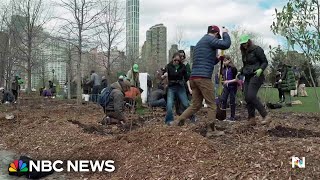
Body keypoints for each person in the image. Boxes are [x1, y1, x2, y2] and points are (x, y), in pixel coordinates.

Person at [175, 25, 231, 137]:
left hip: (194, 78)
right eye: (217, 36)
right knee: (212, 104)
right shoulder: (210, 39)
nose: (217, 38)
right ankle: (211, 130)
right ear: (215, 33)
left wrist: (218, 59)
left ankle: (179, 121)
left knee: (195, 105)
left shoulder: (200, 43)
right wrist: (225, 33)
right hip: (203, 78)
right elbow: (226, 44)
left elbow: (207, 61)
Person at [237, 34, 270, 126]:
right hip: (247, 76)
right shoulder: (244, 52)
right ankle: (251, 118)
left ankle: (265, 115)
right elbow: (246, 66)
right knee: (247, 97)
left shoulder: (257, 49)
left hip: (257, 75)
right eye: (242, 44)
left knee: (251, 95)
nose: (244, 45)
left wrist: (261, 69)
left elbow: (265, 62)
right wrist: (240, 71)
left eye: (245, 43)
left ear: (248, 41)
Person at [164, 52, 191, 125]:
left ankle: (192, 118)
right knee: (169, 104)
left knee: (186, 103)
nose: (176, 62)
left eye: (178, 60)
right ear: (172, 59)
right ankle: (169, 121)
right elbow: (163, 75)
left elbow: (187, 78)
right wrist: (164, 76)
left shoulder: (183, 67)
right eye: (175, 60)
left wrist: (190, 88)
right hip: (171, 87)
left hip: (180, 87)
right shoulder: (168, 66)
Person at [220, 55, 238, 121]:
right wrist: (223, 82)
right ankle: (223, 116)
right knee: (223, 100)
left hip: (233, 87)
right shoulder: (223, 69)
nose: (224, 62)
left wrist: (228, 81)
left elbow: (237, 79)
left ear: (229, 60)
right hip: (226, 87)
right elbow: (223, 78)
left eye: (225, 61)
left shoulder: (233, 69)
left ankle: (232, 116)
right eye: (223, 61)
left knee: (232, 101)